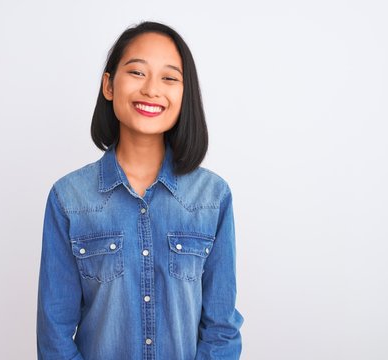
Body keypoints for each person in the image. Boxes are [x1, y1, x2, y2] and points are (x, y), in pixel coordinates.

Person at [36, 21, 244, 360]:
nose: (151, 90)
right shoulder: (68, 199)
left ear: (183, 93)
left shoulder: (213, 197)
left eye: (169, 78)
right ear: (108, 85)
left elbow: (221, 328)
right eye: (137, 72)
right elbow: (54, 332)